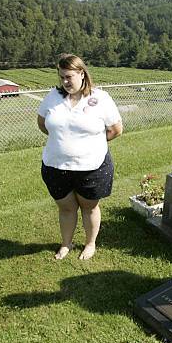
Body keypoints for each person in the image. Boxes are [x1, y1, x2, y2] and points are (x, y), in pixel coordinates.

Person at [37, 54, 123, 260]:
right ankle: (66, 244)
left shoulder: (100, 98)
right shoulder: (53, 96)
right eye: (61, 77)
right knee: (66, 208)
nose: (65, 82)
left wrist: (91, 145)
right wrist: (63, 140)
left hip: (92, 167)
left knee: (89, 207)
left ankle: (90, 244)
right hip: (55, 166)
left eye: (69, 76)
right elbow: (42, 123)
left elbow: (116, 129)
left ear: (82, 73)